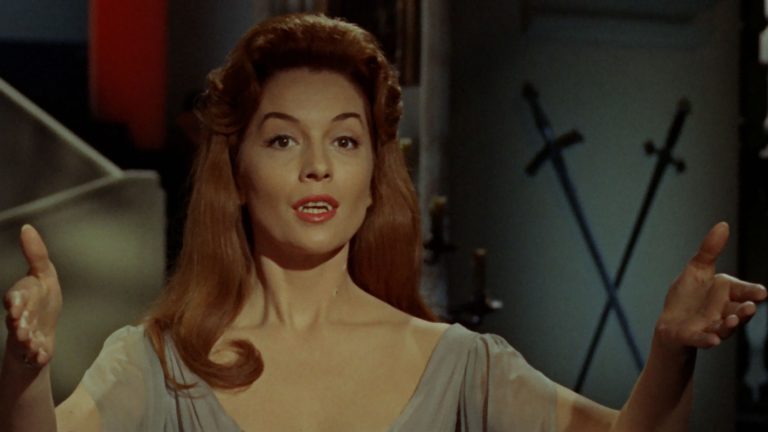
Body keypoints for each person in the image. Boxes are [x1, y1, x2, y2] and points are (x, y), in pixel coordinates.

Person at [1, 13, 766, 432]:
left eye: (344, 141)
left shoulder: (462, 367)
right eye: (282, 140)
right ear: (236, 176)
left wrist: (671, 354)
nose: (317, 167)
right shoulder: (156, 362)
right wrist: (25, 374)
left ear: (374, 178)